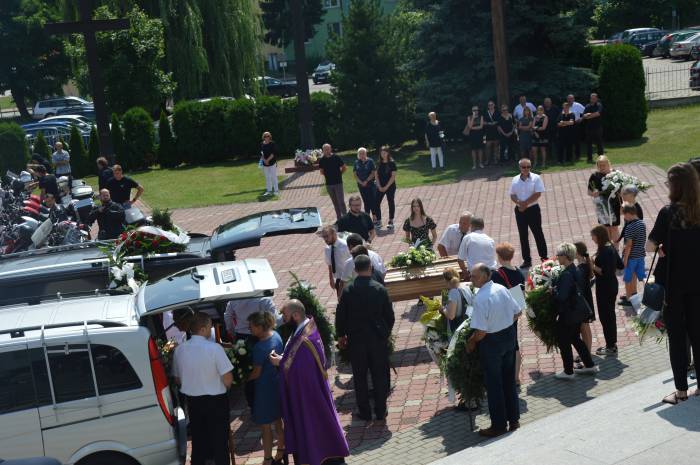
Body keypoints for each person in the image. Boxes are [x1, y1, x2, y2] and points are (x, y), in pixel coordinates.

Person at [269, 300, 350, 465]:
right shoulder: (307, 329)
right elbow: (298, 361)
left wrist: (280, 363)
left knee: (314, 430)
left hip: (309, 396)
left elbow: (302, 370)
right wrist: (284, 359)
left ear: (296, 315)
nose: (282, 320)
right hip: (315, 390)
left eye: (285, 316)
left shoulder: (304, 340)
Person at [648, 163, 700, 404]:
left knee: (677, 338)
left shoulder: (667, 213)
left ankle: (680, 390)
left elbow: (650, 245)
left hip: (673, 285)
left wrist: (661, 247)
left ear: (676, 186)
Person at [336, 255, 395, 421]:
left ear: (355, 270)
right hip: (377, 339)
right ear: (370, 267)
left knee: (360, 376)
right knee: (379, 375)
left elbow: (340, 316)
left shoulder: (348, 291)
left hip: (356, 340)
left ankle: (365, 411)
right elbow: (389, 316)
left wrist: (341, 335)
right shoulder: (379, 289)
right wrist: (385, 333)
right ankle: (381, 410)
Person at [466, 263, 521, 437]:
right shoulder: (501, 288)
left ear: (484, 276)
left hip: (492, 343)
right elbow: (517, 312)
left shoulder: (480, 298)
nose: (471, 279)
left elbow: (480, 332)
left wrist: (472, 342)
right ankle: (514, 419)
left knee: (494, 384)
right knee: (508, 380)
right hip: (509, 336)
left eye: (473, 276)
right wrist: (503, 323)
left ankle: (498, 425)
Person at [173, 312, 233, 465]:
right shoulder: (214, 348)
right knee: (219, 442)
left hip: (193, 402)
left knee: (199, 442)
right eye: (210, 326)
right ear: (204, 328)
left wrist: (193, 384)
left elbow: (177, 379)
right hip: (216, 401)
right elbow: (227, 378)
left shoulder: (179, 350)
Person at [552, 243, 598, 380]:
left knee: (563, 341)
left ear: (565, 257)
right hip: (578, 312)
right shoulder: (576, 270)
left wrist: (553, 291)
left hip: (568, 314)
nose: (557, 258)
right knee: (575, 338)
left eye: (559, 255)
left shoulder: (566, 274)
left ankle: (568, 371)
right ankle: (589, 364)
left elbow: (562, 297)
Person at [247, 311, 286, 465]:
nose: (249, 329)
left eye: (251, 327)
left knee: (265, 427)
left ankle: (267, 459)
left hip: (264, 389)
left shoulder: (259, 347)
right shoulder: (276, 335)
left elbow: (256, 373)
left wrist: (244, 379)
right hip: (276, 384)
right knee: (278, 420)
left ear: (260, 327)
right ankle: (281, 450)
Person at [491, 242, 525, 385]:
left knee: (504, 345)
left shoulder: (497, 274)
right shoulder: (518, 272)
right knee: (515, 344)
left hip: (502, 314)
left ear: (499, 256)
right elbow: (521, 296)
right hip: (515, 312)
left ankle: (506, 376)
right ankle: (516, 377)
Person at [509, 159, 548, 268]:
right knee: (523, 235)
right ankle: (527, 260)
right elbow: (512, 194)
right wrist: (518, 203)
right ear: (519, 168)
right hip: (519, 210)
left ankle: (544, 257)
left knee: (538, 233)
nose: (526, 169)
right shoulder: (515, 179)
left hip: (533, 209)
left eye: (528, 167)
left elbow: (538, 193)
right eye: (523, 167)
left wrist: (525, 204)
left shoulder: (536, 178)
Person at [590, 225, 619, 356]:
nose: (592, 238)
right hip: (612, 285)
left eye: (593, 236)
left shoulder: (605, 250)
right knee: (610, 316)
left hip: (605, 288)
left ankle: (611, 346)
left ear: (599, 236)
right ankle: (611, 344)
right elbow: (620, 264)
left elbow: (604, 272)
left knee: (606, 317)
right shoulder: (610, 247)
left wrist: (592, 266)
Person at [588, 155, 621, 244]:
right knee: (605, 228)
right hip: (602, 206)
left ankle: (616, 248)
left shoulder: (615, 174)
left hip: (614, 205)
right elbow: (589, 191)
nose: (601, 167)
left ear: (608, 164)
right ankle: (608, 247)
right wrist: (594, 194)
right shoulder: (594, 176)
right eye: (599, 165)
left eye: (603, 165)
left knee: (614, 227)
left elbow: (620, 190)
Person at [620, 203, 646, 305]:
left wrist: (625, 259)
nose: (624, 218)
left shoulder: (630, 227)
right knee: (637, 276)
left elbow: (629, 245)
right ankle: (635, 294)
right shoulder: (642, 223)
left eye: (624, 215)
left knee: (628, 278)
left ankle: (628, 298)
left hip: (631, 257)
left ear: (629, 214)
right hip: (640, 255)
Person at [574, 242, 595, 354]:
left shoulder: (581, 268)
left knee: (584, 327)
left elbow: (579, 287)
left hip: (583, 301)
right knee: (585, 327)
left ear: (576, 252)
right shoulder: (585, 264)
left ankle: (587, 351)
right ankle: (587, 350)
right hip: (586, 299)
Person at [320, 225, 352, 298]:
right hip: (338, 279)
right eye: (323, 237)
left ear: (334, 234)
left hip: (349, 279)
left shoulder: (345, 246)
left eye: (327, 236)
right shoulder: (327, 248)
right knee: (341, 302)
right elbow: (330, 264)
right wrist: (331, 279)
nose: (325, 239)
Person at [319, 143, 347, 221]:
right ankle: (339, 218)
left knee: (341, 201)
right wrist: (329, 175)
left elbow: (344, 167)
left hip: (338, 183)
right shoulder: (321, 160)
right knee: (335, 202)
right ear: (323, 150)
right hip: (329, 184)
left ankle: (345, 217)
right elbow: (321, 172)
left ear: (331, 149)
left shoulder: (336, 157)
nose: (326, 151)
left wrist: (339, 173)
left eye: (328, 149)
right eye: (325, 149)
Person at [353, 147, 380, 225]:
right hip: (361, 186)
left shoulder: (370, 161)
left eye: (363, 153)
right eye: (360, 153)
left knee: (372, 201)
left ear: (366, 153)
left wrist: (366, 181)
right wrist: (361, 182)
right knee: (365, 201)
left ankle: (375, 217)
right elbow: (355, 174)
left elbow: (373, 172)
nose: (362, 155)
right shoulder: (356, 162)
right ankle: (367, 217)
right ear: (358, 154)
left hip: (370, 185)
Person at [441, 268, 470, 334]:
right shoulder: (465, 286)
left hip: (458, 327)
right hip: (467, 323)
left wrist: (442, 309)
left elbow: (451, 316)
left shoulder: (453, 292)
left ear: (445, 280)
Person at [376, 146, 397, 229]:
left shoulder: (392, 163)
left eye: (384, 152)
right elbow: (376, 176)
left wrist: (386, 187)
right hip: (380, 187)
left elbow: (393, 176)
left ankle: (391, 221)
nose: (383, 154)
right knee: (376, 202)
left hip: (390, 186)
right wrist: (379, 186)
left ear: (388, 153)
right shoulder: (378, 163)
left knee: (390, 202)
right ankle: (379, 221)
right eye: (381, 153)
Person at [583, 93, 604, 163]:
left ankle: (601, 158)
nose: (592, 99)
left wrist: (589, 115)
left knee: (599, 143)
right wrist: (588, 116)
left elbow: (598, 114)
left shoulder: (599, 105)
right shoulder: (587, 106)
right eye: (591, 98)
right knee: (589, 144)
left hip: (598, 127)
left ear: (597, 98)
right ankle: (589, 158)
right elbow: (584, 116)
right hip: (589, 128)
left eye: (594, 98)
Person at [566, 94, 586, 161]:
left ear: (573, 99)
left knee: (577, 141)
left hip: (576, 125)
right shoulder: (566, 106)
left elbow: (585, 111)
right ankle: (570, 157)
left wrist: (581, 118)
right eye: (568, 99)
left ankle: (577, 156)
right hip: (567, 125)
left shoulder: (577, 105)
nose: (569, 100)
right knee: (569, 141)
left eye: (571, 99)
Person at [464, 105, 485, 169]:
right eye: (474, 110)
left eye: (476, 110)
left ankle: (480, 163)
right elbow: (469, 126)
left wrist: (473, 128)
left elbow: (481, 126)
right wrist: (473, 118)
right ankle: (474, 164)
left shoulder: (481, 117)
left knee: (480, 149)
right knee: (473, 149)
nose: (475, 111)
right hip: (472, 135)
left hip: (479, 134)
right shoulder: (469, 117)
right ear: (472, 111)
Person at [261, 131, 279, 196]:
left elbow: (273, 153)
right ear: (263, 137)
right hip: (264, 163)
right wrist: (264, 160)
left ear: (270, 137)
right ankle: (269, 190)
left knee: (273, 176)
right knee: (267, 177)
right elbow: (261, 153)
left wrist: (267, 160)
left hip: (272, 163)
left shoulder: (272, 144)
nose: (267, 137)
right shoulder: (262, 144)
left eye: (268, 136)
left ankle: (276, 190)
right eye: (265, 136)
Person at [543, 97, 560, 162]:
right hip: (546, 130)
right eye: (546, 102)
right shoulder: (543, 109)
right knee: (547, 145)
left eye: (548, 102)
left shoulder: (555, 108)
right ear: (544, 103)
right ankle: (549, 158)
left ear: (551, 102)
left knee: (556, 144)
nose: (547, 103)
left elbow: (560, 116)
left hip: (555, 129)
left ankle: (557, 158)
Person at [483, 100, 500, 165]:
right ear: (488, 106)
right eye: (489, 105)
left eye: (491, 104)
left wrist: (495, 122)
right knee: (488, 146)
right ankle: (487, 160)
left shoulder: (497, 112)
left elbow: (499, 120)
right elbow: (483, 122)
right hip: (488, 131)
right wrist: (489, 123)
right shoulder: (485, 113)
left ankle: (495, 159)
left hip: (496, 130)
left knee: (496, 146)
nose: (490, 106)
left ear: (494, 105)